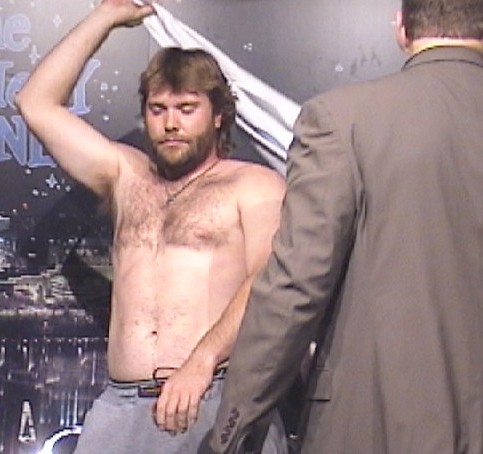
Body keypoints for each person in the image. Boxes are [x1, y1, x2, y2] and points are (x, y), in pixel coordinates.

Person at [207, 0, 483, 452]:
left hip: (376, 426)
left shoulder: (343, 120)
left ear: (401, 28)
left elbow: (296, 286)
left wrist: (231, 433)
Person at [15, 1, 288, 453]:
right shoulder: (125, 175)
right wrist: (105, 16)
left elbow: (270, 280)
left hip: (214, 394)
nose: (171, 123)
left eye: (187, 108)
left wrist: (201, 362)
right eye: (158, 109)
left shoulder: (254, 185)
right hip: (122, 408)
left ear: (218, 114)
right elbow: (35, 103)